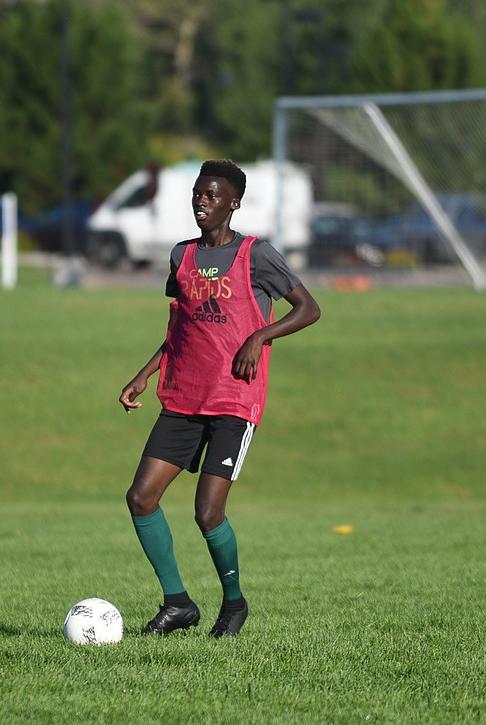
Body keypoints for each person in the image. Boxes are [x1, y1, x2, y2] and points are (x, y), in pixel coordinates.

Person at [119, 159, 321, 638]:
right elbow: (182, 329)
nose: (201, 202)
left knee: (207, 512)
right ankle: (178, 603)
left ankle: (233, 604)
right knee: (141, 498)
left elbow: (310, 309)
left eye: (211, 195)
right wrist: (145, 374)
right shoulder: (181, 256)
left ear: (234, 202)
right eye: (196, 194)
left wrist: (260, 337)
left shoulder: (257, 254)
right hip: (183, 397)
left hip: (234, 400)